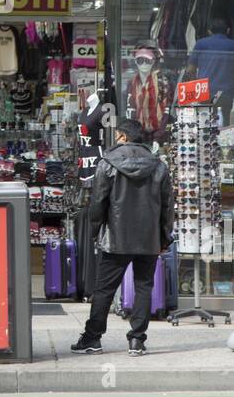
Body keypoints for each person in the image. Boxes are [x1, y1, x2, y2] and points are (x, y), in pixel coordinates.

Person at [71, 118, 174, 356]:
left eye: (117, 135)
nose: (115, 139)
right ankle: (137, 340)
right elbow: (168, 206)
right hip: (148, 238)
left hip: (116, 237)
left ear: (124, 137)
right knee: (143, 287)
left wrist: (96, 231)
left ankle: (92, 338)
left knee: (104, 290)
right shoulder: (159, 166)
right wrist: (164, 236)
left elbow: (98, 203)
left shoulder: (107, 164)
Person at [186, 16, 234, 121]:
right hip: (226, 92)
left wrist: (196, 86)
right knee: (225, 124)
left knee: (204, 124)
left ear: (209, 31)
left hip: (204, 91)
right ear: (228, 30)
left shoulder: (201, 44)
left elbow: (190, 70)